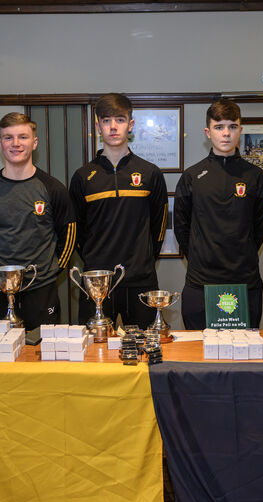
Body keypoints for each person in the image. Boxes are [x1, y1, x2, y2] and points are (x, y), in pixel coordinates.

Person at [69, 93, 167, 329]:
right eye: (106, 120)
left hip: (141, 279)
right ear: (97, 127)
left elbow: (159, 228)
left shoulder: (150, 173)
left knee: (145, 346)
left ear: (130, 125)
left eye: (120, 120)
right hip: (97, 281)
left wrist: (143, 260)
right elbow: (77, 231)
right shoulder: (83, 177)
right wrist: (94, 261)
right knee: (94, 348)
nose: (113, 127)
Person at [0, 112, 76, 330]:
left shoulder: (53, 188)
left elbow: (68, 235)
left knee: (42, 349)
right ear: (0, 143)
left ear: (34, 142)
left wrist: (51, 271)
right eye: (8, 137)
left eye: (23, 137)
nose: (16, 143)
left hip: (41, 289)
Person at [173, 98, 263, 329]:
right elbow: (181, 227)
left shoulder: (255, 177)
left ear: (240, 130)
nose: (226, 133)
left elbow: (259, 228)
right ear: (208, 132)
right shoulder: (192, 176)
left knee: (244, 349)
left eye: (232, 126)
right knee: (198, 348)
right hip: (201, 281)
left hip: (245, 282)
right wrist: (200, 256)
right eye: (219, 127)